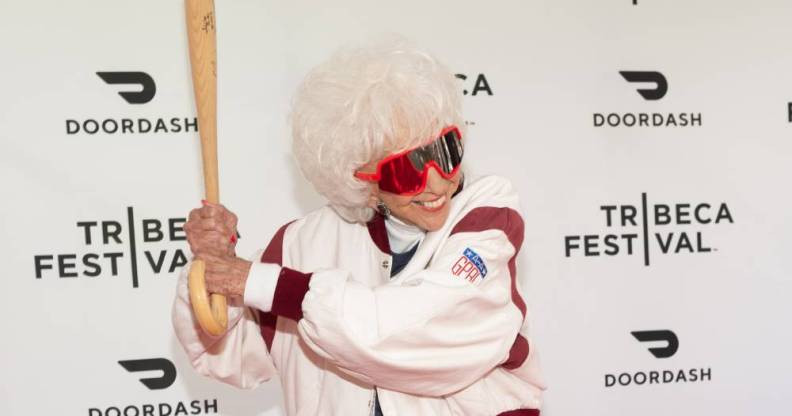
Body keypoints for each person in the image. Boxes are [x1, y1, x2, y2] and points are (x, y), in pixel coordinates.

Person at [172, 38, 546, 416]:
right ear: (364, 185)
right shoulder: (301, 244)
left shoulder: (487, 215)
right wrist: (214, 266)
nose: (436, 183)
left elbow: (417, 331)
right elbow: (227, 354)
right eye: (406, 170)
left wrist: (263, 284)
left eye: (445, 150)